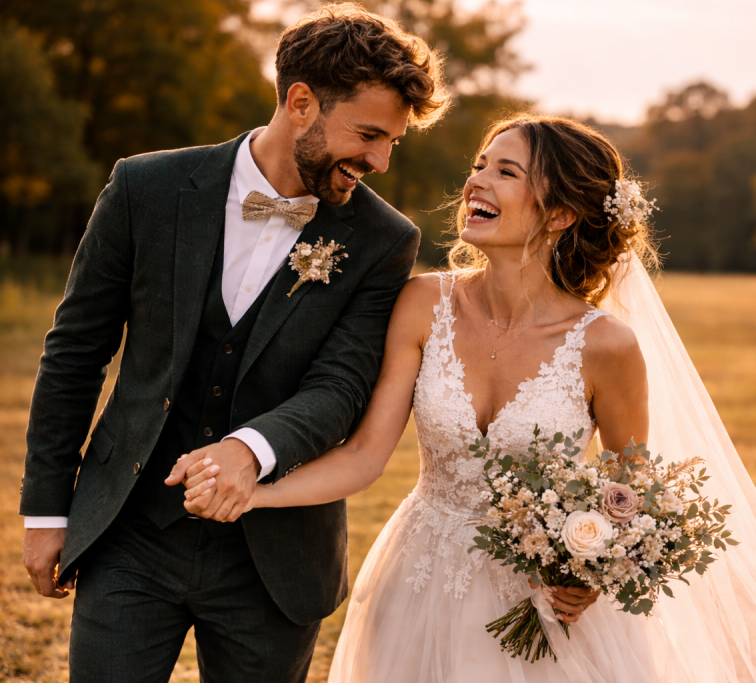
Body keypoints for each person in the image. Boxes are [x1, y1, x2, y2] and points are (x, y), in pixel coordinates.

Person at [176, 114, 756, 682]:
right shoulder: (423, 304)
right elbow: (364, 457)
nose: (476, 179)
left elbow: (629, 486)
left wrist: (595, 567)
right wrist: (252, 493)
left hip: (541, 602)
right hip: (420, 580)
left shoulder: (607, 346)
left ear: (562, 213)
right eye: (480, 164)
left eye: (505, 171)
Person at [19, 5, 449, 681]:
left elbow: (340, 387)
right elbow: (76, 351)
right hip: (130, 532)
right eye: (369, 134)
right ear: (301, 102)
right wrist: (46, 510)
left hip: (274, 563)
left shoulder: (384, 239)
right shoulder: (146, 187)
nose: (379, 160)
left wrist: (251, 450)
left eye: (391, 141)